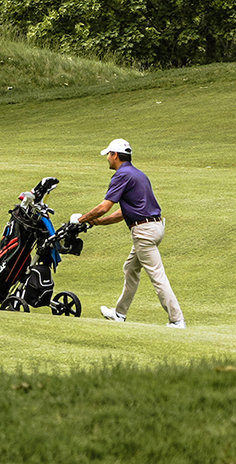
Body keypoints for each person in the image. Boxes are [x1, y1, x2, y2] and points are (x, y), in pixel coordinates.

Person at [76, 137, 185, 327]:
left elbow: (104, 207)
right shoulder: (138, 174)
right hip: (154, 228)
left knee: (157, 276)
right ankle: (119, 313)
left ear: (115, 155)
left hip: (144, 233)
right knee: (130, 268)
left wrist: (80, 220)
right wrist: (99, 223)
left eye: (108, 154)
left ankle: (177, 320)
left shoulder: (121, 175)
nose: (107, 158)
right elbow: (123, 212)